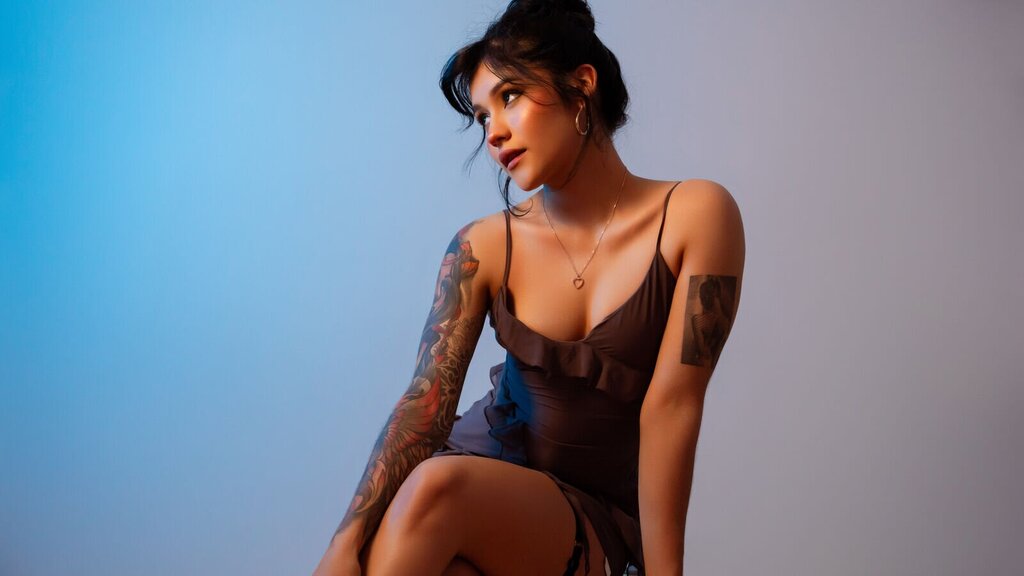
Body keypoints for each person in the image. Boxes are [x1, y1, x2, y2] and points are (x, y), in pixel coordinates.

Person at [313, 1, 745, 574]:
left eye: (510, 96)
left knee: (436, 489)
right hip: (476, 473)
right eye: (481, 116)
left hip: (589, 516)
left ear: (581, 85)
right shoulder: (484, 245)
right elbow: (426, 405)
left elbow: (672, 408)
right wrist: (343, 546)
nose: (494, 132)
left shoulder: (695, 216)